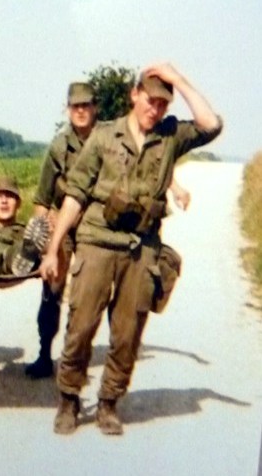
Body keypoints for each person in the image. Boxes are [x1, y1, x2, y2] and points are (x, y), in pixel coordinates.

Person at [39, 63, 222, 436]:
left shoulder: (170, 136)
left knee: (127, 333)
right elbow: (75, 195)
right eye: (150, 100)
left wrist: (178, 78)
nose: (155, 109)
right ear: (134, 95)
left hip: (141, 247)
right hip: (97, 240)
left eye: (163, 104)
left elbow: (211, 124)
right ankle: (69, 398)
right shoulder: (104, 136)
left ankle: (109, 402)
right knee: (81, 326)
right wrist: (53, 249)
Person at [27, 82, 99, 379]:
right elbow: (42, 199)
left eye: (86, 105)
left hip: (96, 228)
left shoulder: (107, 140)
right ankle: (45, 353)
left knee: (88, 295)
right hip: (64, 228)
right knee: (52, 290)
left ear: (95, 108)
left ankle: (74, 357)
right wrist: (45, 239)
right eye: (75, 106)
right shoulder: (59, 146)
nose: (80, 111)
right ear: (68, 110)